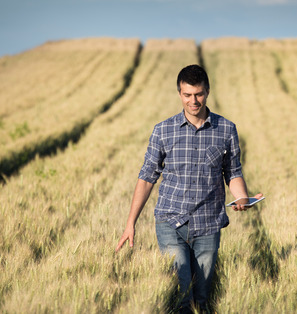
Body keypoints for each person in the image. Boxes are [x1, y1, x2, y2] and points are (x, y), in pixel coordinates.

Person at [115, 64, 262, 312]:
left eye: (199, 94)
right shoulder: (163, 131)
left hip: (208, 224)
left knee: (202, 299)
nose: (193, 101)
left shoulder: (226, 129)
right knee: (181, 294)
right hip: (170, 222)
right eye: (187, 95)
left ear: (207, 91)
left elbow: (233, 172)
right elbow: (146, 177)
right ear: (179, 94)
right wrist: (131, 223)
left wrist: (242, 198)